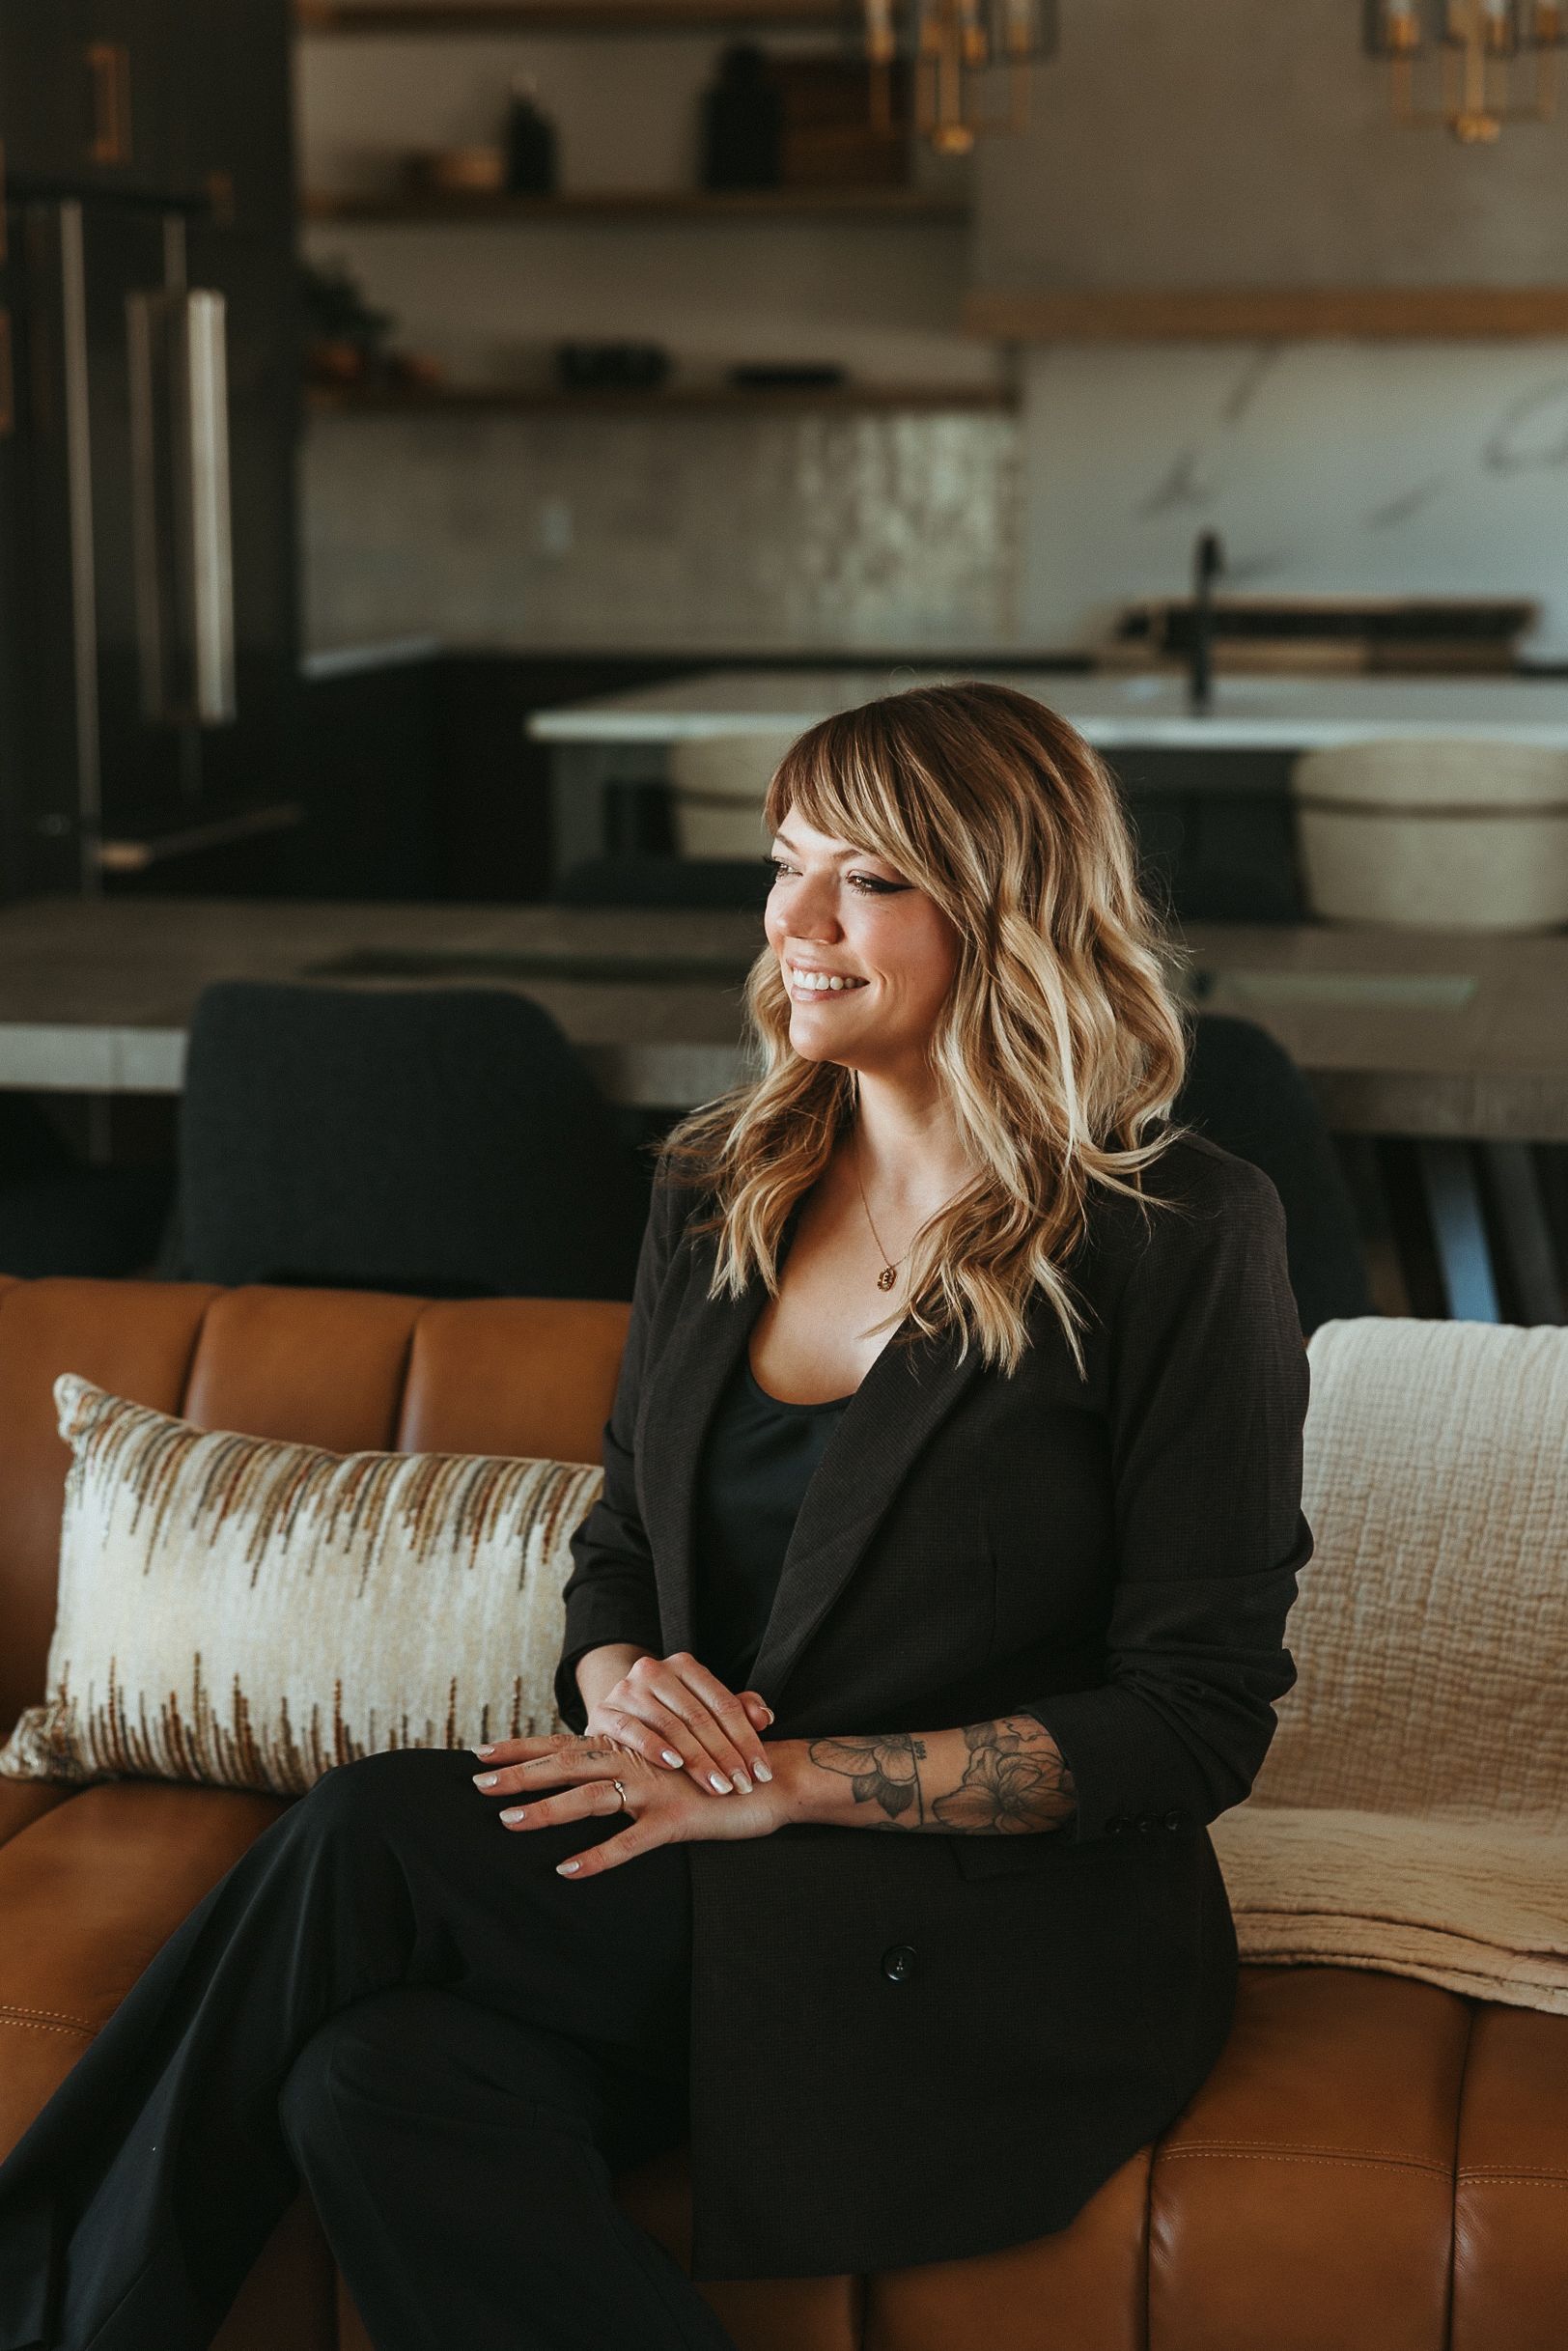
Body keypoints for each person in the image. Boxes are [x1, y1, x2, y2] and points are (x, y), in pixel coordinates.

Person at [0, 681, 1313, 2350]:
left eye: (872, 879)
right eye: (784, 865)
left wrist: (787, 1785)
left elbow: (1195, 1721)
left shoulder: (1184, 1235)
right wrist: (619, 1671)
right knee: (376, 2085)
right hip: (694, 1880)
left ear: (1009, 907)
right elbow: (621, 1539)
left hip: (987, 1942)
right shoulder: (721, 1187)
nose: (802, 924)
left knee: (376, 1830)